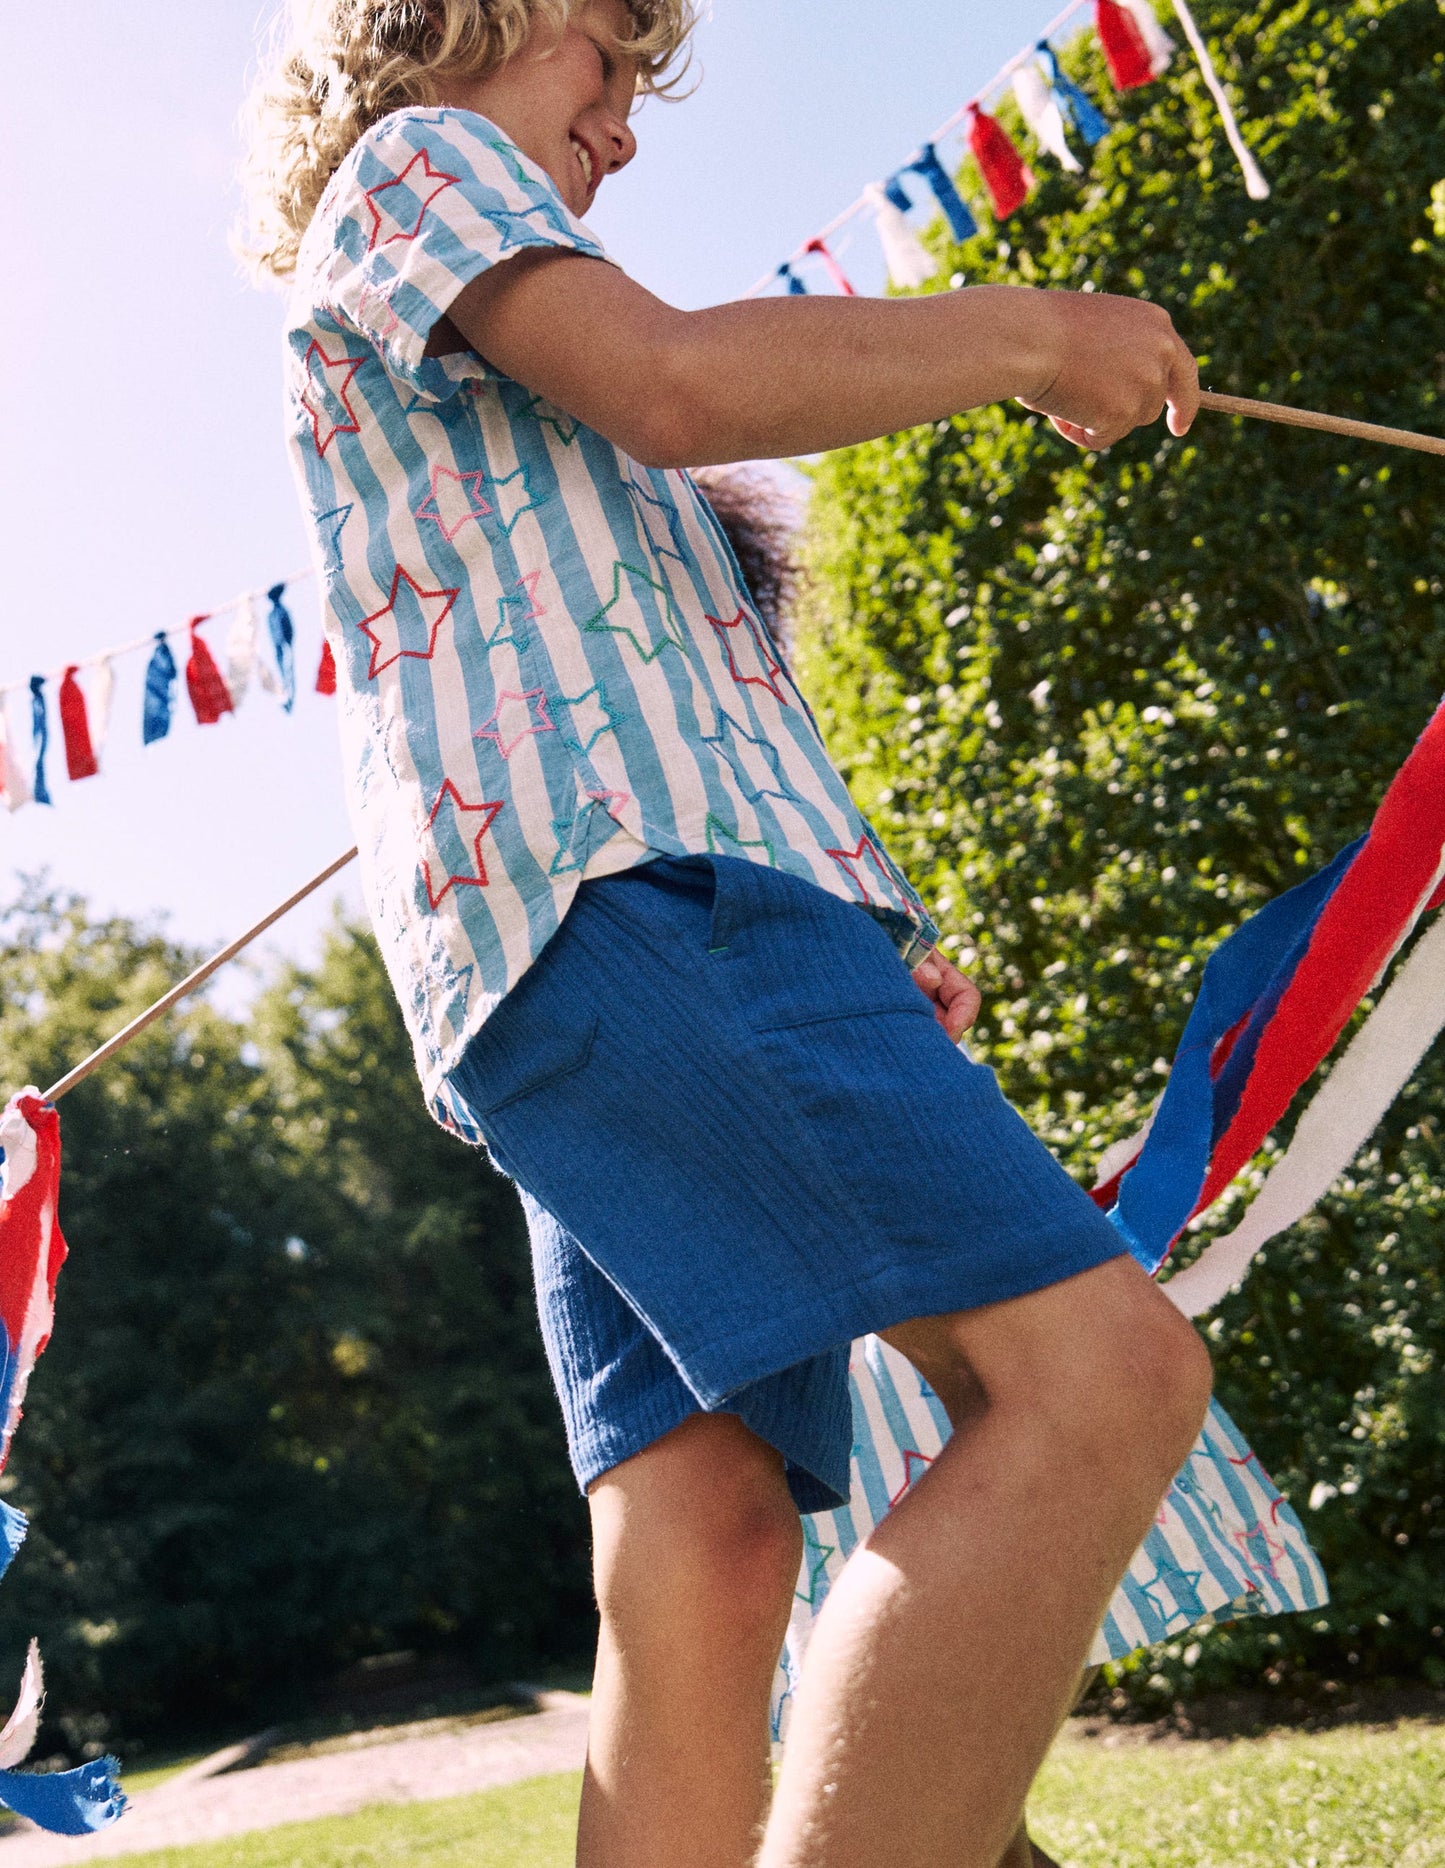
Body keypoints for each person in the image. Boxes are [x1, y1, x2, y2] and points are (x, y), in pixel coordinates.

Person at [243, 4, 1213, 1863]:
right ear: (457, 19)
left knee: (701, 1541)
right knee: (1101, 1383)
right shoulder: (420, 160)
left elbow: (676, 691)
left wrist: (859, 920)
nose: (623, 127)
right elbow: (680, 385)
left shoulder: (481, 319)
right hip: (643, 903)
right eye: (601, 60)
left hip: (585, 959)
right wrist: (1029, 331)